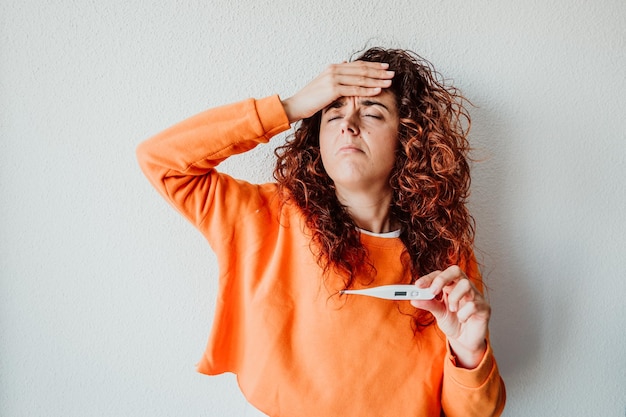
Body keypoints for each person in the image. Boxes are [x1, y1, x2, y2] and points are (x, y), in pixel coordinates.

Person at [137, 47, 506, 416]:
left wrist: (468, 350)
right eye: (333, 113)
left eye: (373, 113)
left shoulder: (447, 258)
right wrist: (291, 107)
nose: (348, 125)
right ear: (316, 135)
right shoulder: (262, 217)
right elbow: (161, 161)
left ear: (409, 140)